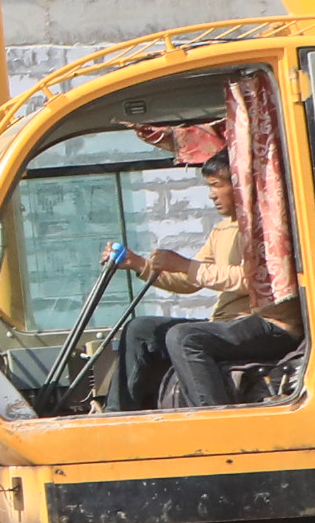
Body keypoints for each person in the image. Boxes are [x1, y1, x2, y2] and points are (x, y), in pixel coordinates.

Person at [128, 146, 301, 409]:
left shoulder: (267, 228)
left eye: (216, 185)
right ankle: (116, 412)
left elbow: (252, 278)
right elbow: (190, 281)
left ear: (240, 185)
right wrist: (139, 264)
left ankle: (214, 416)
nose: (211, 195)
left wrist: (186, 264)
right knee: (140, 329)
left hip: (270, 324)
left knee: (185, 337)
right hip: (228, 322)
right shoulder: (222, 229)